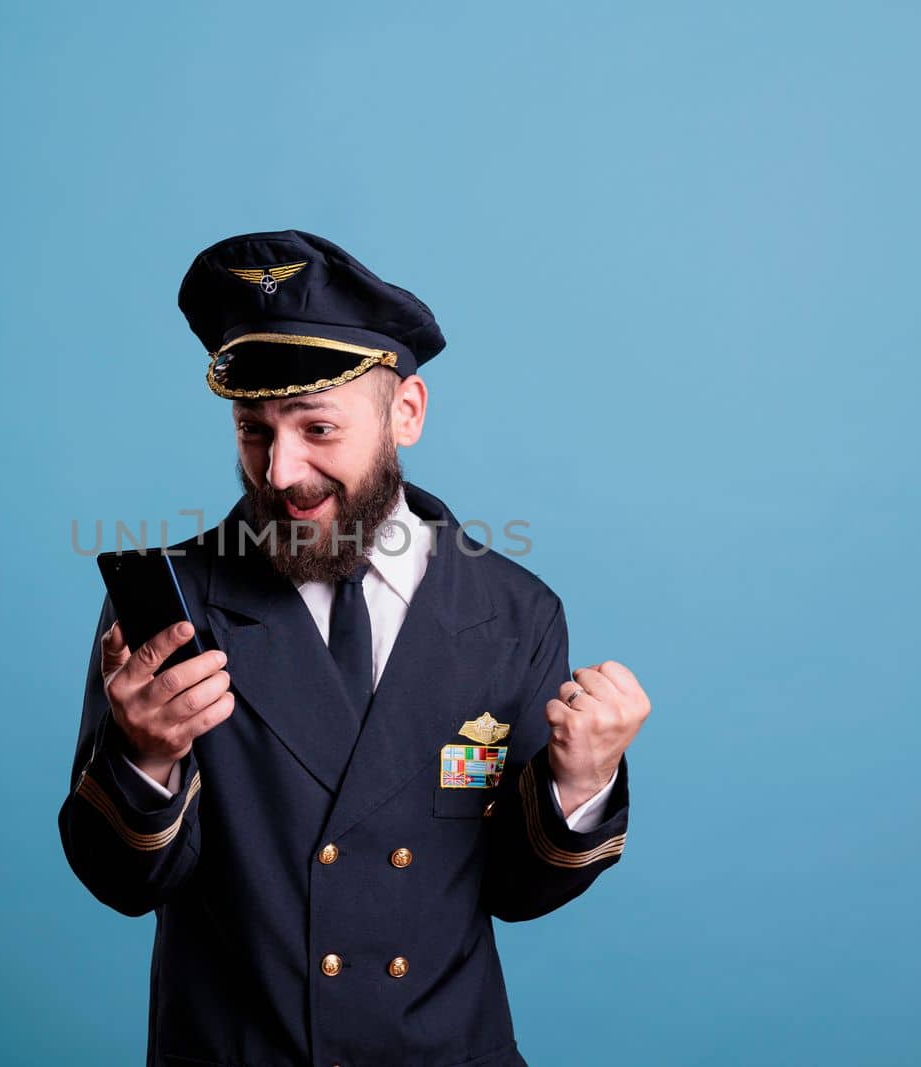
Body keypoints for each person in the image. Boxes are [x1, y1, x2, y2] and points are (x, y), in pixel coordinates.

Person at [58, 230, 652, 1067]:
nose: (282, 472)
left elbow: (519, 891)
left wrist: (580, 782)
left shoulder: (515, 613)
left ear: (406, 412)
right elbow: (119, 881)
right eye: (254, 431)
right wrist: (142, 756)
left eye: (318, 427)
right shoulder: (175, 607)